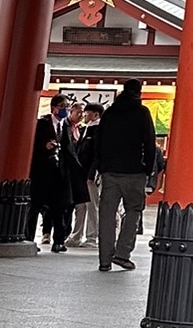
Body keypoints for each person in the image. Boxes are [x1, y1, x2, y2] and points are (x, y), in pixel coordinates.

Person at [92, 79, 157, 271]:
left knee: (106, 214)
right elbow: (150, 142)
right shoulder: (142, 112)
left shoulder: (110, 112)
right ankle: (122, 253)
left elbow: (99, 141)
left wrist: (101, 166)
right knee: (133, 210)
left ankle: (104, 260)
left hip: (110, 172)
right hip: (134, 171)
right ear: (139, 92)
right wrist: (148, 169)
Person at [30, 93, 80, 252]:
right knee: (35, 207)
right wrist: (44, 147)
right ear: (53, 108)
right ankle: (29, 238)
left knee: (59, 208)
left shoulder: (66, 126)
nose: (65, 110)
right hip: (42, 171)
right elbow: (32, 145)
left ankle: (58, 241)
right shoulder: (42, 124)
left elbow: (69, 150)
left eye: (67, 107)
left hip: (60, 173)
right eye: (62, 107)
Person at [68, 102, 104, 248]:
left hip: (91, 173)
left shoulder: (99, 130)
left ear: (95, 115)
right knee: (80, 206)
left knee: (92, 205)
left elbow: (98, 154)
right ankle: (76, 235)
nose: (84, 115)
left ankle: (91, 237)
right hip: (80, 173)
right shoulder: (85, 129)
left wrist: (93, 173)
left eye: (88, 113)